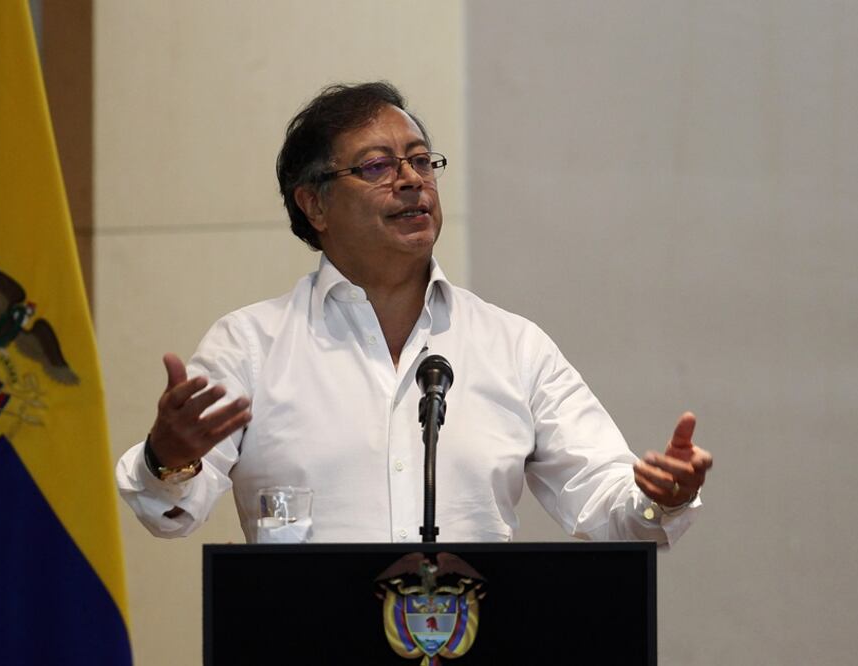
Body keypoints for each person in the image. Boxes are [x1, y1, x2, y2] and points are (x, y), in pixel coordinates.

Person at [116, 82, 713, 544]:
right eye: (376, 166)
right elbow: (170, 516)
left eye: (422, 161)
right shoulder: (250, 346)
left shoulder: (513, 347)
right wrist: (167, 457)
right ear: (314, 204)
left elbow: (612, 510)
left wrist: (662, 496)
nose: (410, 181)